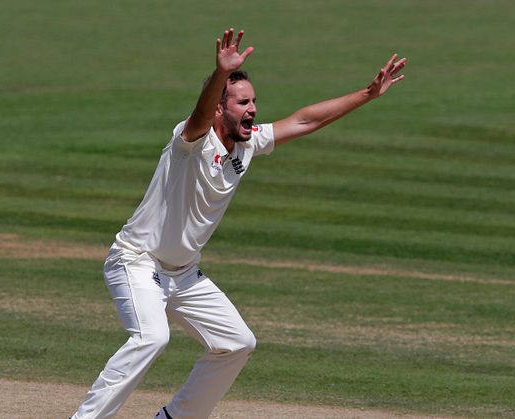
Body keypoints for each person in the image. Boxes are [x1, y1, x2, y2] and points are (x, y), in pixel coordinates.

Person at [71, 28, 405, 419]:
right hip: (137, 262)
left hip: (182, 273)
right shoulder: (189, 142)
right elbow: (199, 115)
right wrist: (219, 75)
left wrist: (366, 95)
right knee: (152, 337)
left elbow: (303, 122)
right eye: (242, 102)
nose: (252, 110)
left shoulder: (246, 144)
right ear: (218, 107)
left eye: (254, 102)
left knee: (237, 342)